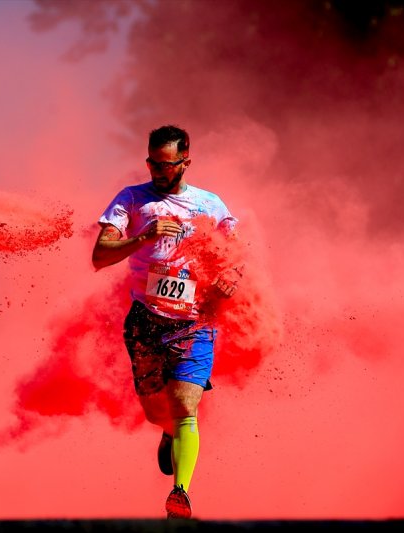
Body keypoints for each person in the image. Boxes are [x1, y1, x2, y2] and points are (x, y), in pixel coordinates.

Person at [92, 125, 240, 519]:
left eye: (166, 165)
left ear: (185, 163)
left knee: (186, 406)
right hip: (145, 320)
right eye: (152, 164)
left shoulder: (210, 204)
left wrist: (232, 278)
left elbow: (240, 255)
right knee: (157, 411)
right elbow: (99, 256)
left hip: (195, 321)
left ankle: (180, 494)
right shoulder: (133, 200)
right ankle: (167, 431)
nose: (158, 171)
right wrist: (142, 237)